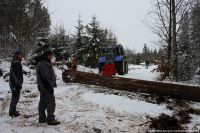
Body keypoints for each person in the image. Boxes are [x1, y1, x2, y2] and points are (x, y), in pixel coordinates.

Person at [36, 50, 60, 125]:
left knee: (43, 102)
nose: (52, 56)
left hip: (44, 87)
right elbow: (45, 77)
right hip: (46, 87)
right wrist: (49, 87)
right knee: (51, 102)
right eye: (51, 55)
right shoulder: (43, 64)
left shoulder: (45, 62)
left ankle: (42, 118)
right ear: (48, 55)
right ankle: (50, 119)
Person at [9, 49, 23, 117]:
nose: (21, 55)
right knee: (15, 98)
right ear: (17, 55)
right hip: (15, 84)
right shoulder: (16, 63)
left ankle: (13, 110)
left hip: (15, 83)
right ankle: (12, 112)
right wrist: (17, 85)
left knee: (15, 98)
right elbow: (14, 75)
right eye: (20, 54)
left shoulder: (16, 61)